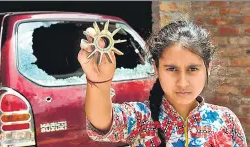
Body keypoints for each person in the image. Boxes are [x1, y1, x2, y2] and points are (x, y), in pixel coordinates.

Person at [77, 21, 247, 147]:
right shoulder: (142, 118)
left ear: (207, 68)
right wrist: (99, 81)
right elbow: (102, 122)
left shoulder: (225, 121)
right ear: (156, 69)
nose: (182, 82)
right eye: (172, 69)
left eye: (193, 69)